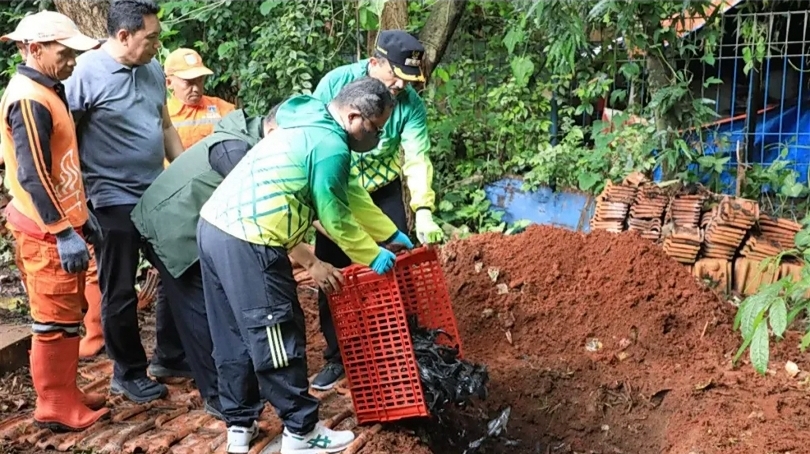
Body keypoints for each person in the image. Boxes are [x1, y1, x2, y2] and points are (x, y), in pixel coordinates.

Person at [197, 77, 413, 453]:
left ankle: (239, 424)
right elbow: (335, 217)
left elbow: (350, 192)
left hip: (215, 227)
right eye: (375, 129)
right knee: (276, 334)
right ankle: (302, 432)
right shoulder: (331, 145)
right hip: (253, 238)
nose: (376, 138)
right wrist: (372, 254)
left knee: (231, 334)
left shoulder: (310, 120)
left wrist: (389, 232)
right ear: (353, 115)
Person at [63, 0, 186, 404]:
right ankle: (128, 373)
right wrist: (78, 201)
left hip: (155, 192)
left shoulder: (150, 68)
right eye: (151, 37)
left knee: (181, 270)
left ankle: (170, 355)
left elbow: (165, 126)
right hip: (109, 198)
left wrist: (185, 178)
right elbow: (65, 138)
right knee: (120, 290)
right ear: (123, 36)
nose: (158, 44)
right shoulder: (85, 74)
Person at [309, 29, 444, 390]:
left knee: (395, 266)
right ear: (374, 64)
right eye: (394, 76)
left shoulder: (409, 103)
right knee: (334, 269)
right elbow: (316, 137)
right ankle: (338, 356)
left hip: (381, 191)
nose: (399, 87)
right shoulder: (337, 83)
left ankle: (397, 350)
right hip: (335, 186)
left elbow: (416, 157)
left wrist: (424, 208)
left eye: (408, 80)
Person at [130, 105, 280, 419]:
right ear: (276, 129)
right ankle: (220, 396)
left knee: (182, 297)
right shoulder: (235, 150)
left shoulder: (250, 136)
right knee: (205, 310)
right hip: (172, 226)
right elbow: (261, 210)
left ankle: (170, 357)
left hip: (179, 218)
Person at [0, 10, 108, 431]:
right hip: (44, 230)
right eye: (64, 53)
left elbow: (61, 163)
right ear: (34, 49)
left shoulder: (48, 87)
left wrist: (83, 216)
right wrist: (63, 229)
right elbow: (32, 172)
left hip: (62, 221)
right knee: (53, 318)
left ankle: (66, 390)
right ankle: (54, 402)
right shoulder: (28, 98)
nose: (72, 62)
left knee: (66, 316)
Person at [164, 47, 236, 149]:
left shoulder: (222, 108)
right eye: (189, 82)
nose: (196, 88)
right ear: (169, 83)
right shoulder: (163, 114)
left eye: (200, 80)